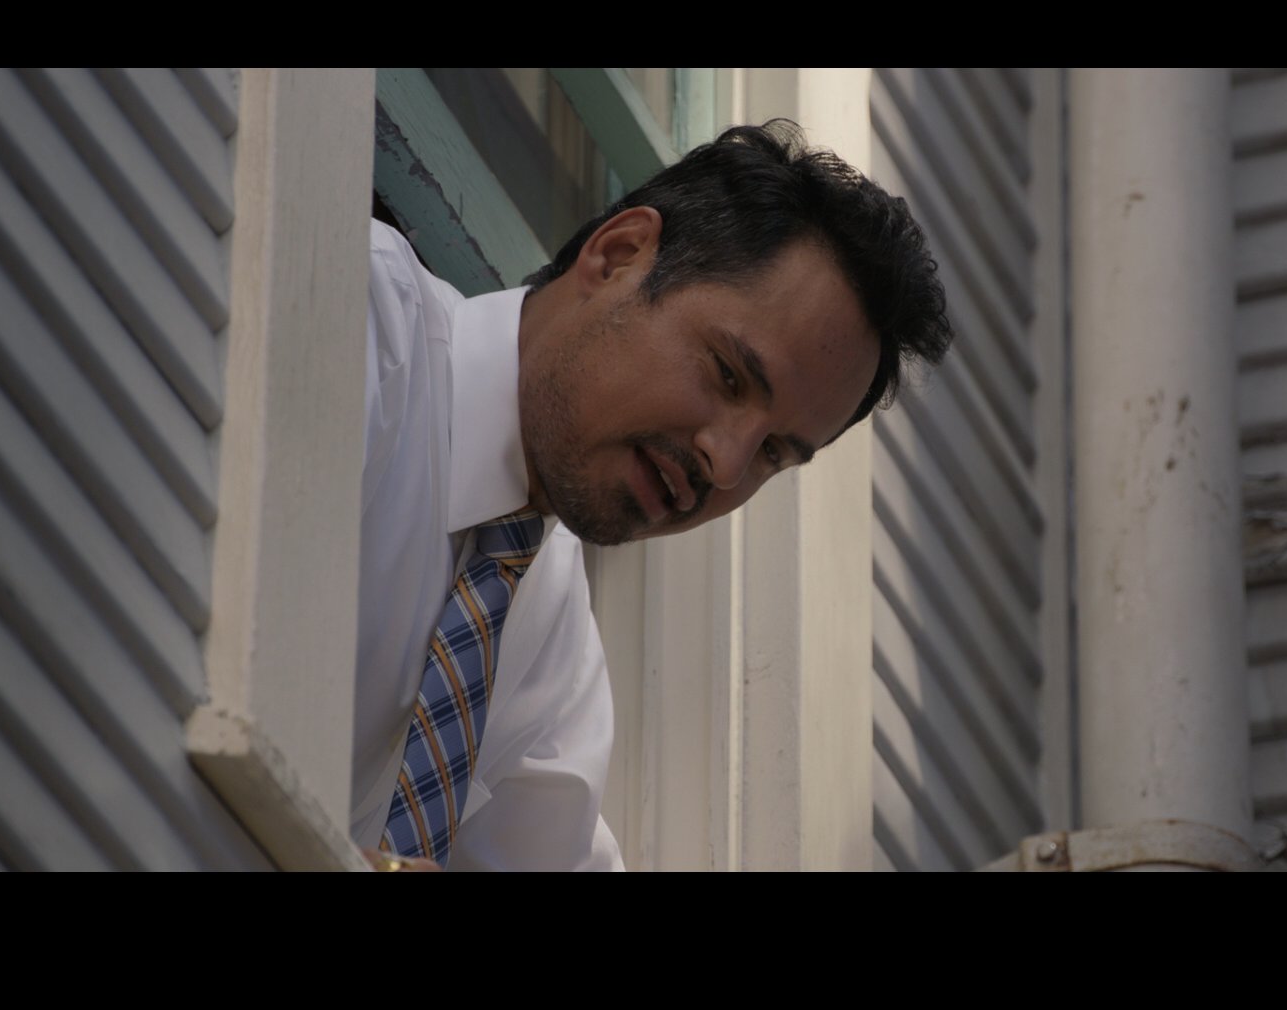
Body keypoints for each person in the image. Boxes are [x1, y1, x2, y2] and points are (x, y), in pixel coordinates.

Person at [350, 120, 952, 870]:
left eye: (773, 452)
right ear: (618, 255)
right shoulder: (357, 320)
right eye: (728, 375)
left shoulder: (545, 641)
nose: (726, 465)